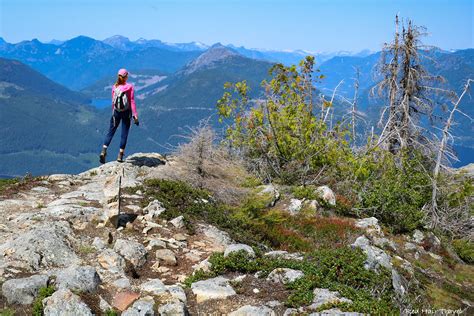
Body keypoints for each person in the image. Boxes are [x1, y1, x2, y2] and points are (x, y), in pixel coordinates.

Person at [99, 68, 139, 163]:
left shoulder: (115, 87)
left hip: (116, 112)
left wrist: (114, 112)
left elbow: (113, 101)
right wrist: (135, 115)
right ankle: (120, 155)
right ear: (126, 77)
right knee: (124, 133)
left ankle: (104, 151)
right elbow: (132, 101)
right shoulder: (129, 87)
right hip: (126, 112)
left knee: (111, 131)